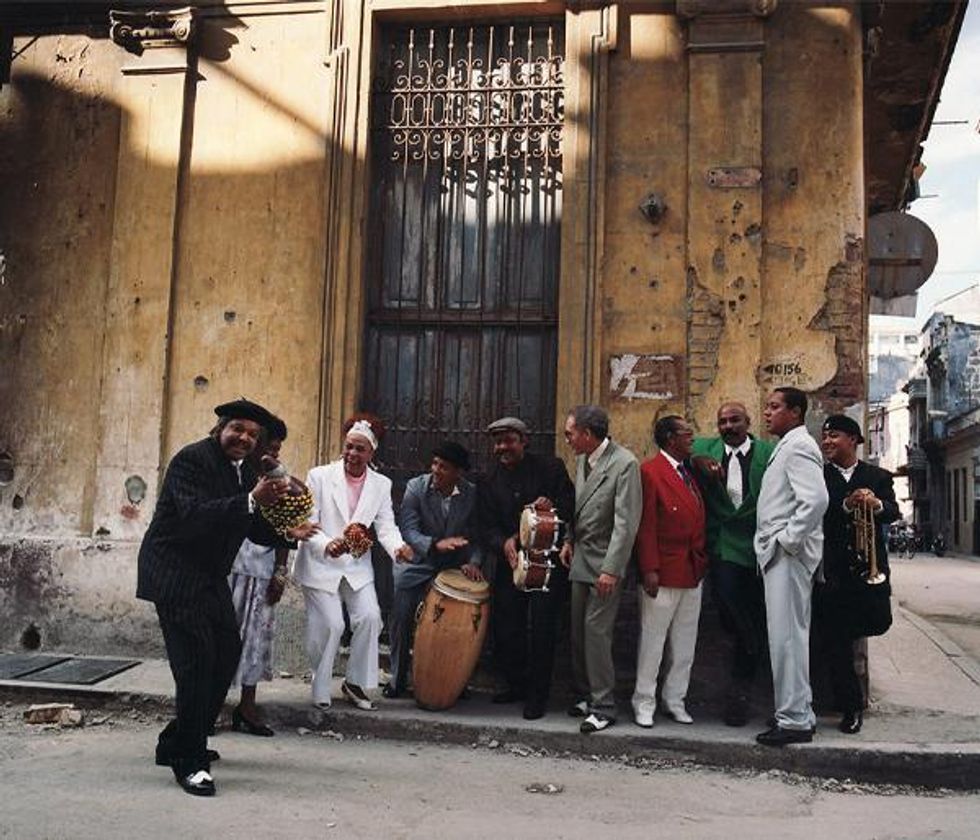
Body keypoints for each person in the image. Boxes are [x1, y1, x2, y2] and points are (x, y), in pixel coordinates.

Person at [137, 399, 292, 796]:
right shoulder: (192, 460)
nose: (244, 438)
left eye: (252, 435)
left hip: (207, 576)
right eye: (237, 429)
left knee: (226, 653)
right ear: (220, 428)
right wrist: (253, 499)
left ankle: (177, 739)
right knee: (195, 664)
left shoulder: (241, 472)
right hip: (174, 574)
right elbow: (194, 514)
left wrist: (291, 533)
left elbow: (252, 525)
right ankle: (190, 760)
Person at [293, 414, 412, 711]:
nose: (352, 455)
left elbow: (385, 525)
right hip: (320, 562)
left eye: (360, 449)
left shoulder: (381, 484)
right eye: (348, 447)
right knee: (332, 624)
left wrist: (398, 548)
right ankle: (320, 684)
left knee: (371, 617)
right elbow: (309, 520)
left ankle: (355, 683)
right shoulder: (319, 476)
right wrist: (325, 544)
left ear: (371, 452)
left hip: (356, 566)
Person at [227, 415, 317, 737]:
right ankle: (209, 706)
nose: (275, 454)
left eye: (279, 449)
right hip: (232, 567)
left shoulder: (279, 480)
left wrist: (281, 571)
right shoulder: (239, 477)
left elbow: (285, 526)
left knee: (256, 640)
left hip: (262, 571)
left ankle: (247, 707)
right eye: (271, 448)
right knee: (224, 636)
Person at [480, 416, 575, 720]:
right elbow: (486, 526)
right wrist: (503, 542)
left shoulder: (551, 468)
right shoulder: (489, 480)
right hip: (512, 564)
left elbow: (570, 504)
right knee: (509, 628)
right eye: (497, 442)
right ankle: (516, 685)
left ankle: (538, 696)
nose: (502, 447)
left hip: (547, 562)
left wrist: (552, 506)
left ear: (524, 441)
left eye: (508, 440)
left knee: (543, 629)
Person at [753, 387, 829, 747]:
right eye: (767, 407)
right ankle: (799, 711)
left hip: (787, 555)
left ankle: (794, 720)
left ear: (796, 413)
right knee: (788, 637)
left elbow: (815, 500)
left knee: (786, 639)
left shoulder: (798, 446)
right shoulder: (791, 444)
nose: (766, 413)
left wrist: (788, 540)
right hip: (781, 554)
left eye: (774, 407)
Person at [691, 401, 773, 726]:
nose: (728, 426)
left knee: (754, 617)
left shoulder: (770, 452)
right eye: (722, 421)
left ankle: (741, 697)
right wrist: (698, 461)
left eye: (734, 420)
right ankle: (752, 648)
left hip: (759, 546)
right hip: (724, 545)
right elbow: (677, 453)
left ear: (748, 422)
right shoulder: (704, 447)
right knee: (733, 615)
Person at [816, 414, 900, 734]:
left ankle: (849, 697)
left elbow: (893, 512)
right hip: (835, 573)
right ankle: (850, 708)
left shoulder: (877, 475)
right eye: (825, 436)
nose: (827, 442)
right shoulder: (820, 476)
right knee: (837, 644)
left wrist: (874, 503)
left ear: (853, 439)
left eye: (834, 435)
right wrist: (848, 505)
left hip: (868, 571)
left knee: (876, 623)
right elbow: (819, 514)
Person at [561, 404, 642, 733]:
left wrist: (612, 569)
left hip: (605, 564)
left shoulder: (625, 465)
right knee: (579, 632)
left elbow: (626, 523)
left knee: (597, 633)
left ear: (588, 434)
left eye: (570, 434)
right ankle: (585, 694)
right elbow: (578, 507)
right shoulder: (582, 460)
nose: (567, 439)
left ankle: (604, 706)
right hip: (581, 558)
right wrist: (568, 540)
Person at [386, 441, 483, 699]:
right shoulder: (416, 488)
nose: (436, 471)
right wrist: (434, 545)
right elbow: (408, 529)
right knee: (402, 616)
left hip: (454, 565)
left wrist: (473, 561)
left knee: (458, 624)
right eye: (435, 464)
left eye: (444, 467)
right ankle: (397, 680)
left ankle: (453, 681)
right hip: (418, 562)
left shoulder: (471, 493)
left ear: (458, 473)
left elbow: (476, 534)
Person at [632, 415, 707, 728]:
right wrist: (649, 568)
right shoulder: (650, 471)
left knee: (684, 643)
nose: (692, 438)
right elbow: (645, 524)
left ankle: (675, 699)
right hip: (662, 571)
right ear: (669, 438)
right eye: (686, 433)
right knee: (653, 642)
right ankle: (644, 700)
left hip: (691, 569)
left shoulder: (689, 471)